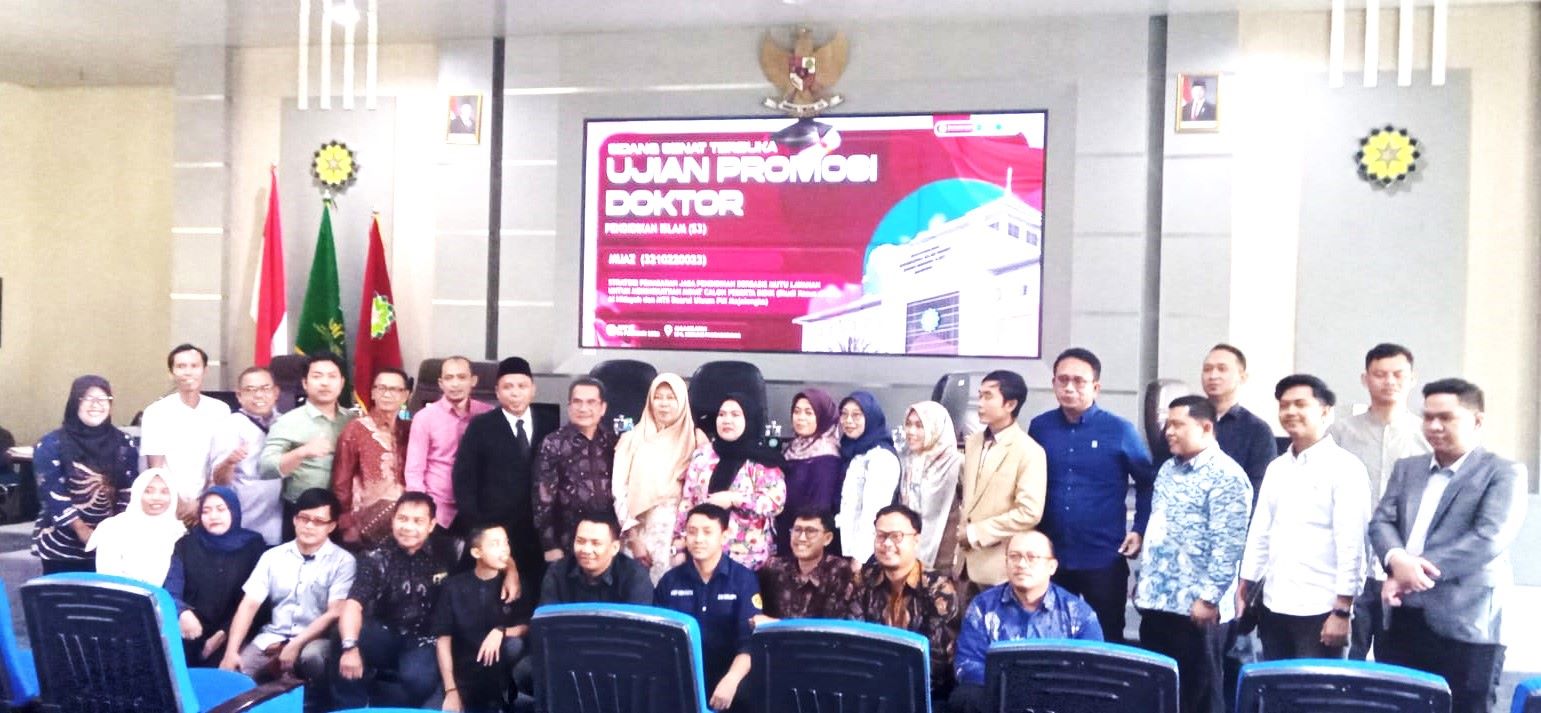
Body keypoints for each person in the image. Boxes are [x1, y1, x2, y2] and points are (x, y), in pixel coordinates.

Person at [1370, 379, 1527, 713]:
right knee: (1398, 705)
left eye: (1446, 417)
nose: (1434, 426)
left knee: (1464, 706)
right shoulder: (1408, 468)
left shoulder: (1503, 472)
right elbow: (1381, 521)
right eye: (1428, 417)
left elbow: (1489, 537)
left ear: (1477, 421)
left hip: (1466, 619)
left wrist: (1412, 572)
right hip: (1402, 615)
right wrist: (1397, 559)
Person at [1237, 375, 1370, 661]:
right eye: (1284, 405)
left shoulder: (1345, 468)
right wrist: (1245, 583)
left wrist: (1342, 610)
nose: (1290, 412)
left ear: (1325, 411)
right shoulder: (1277, 468)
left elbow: (1352, 545)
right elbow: (1261, 531)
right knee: (1275, 684)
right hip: (1274, 604)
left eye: (1300, 404)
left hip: (1321, 609)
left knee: (1316, 688)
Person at [1028, 348, 1155, 644]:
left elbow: (1148, 483)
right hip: (1052, 556)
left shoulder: (1119, 430)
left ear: (1096, 387)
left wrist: (1139, 529)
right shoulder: (1040, 427)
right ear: (1053, 383)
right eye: (1062, 380)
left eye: (1079, 381)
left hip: (1103, 556)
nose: (1069, 388)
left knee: (1107, 637)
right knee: (1051, 636)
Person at [1133, 396, 1252, 713]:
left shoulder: (1227, 476)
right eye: (1167, 424)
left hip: (1197, 609)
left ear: (1206, 428)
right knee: (1159, 694)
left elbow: (1228, 545)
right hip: (1158, 603)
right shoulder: (1167, 469)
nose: (1168, 432)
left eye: (1178, 425)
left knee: (1199, 697)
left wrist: (1209, 599)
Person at [1327, 343, 1430, 660]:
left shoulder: (1426, 435)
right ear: (1365, 379)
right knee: (1346, 656)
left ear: (1412, 379)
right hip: (1349, 562)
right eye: (1380, 374)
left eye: (1398, 374)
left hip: (1404, 563)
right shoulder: (1340, 432)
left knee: (1398, 659)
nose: (1389, 381)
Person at [949, 531, 1103, 713]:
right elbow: (968, 662)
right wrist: (1013, 692)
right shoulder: (983, 606)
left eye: (1032, 557)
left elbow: (1092, 672)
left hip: (1056, 701)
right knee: (965, 696)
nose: (1021, 564)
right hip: (1000, 699)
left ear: (1052, 566)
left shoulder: (1078, 613)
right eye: (1014, 556)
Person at [220, 488, 356, 690]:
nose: (309, 526)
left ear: (331, 526)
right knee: (235, 678)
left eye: (318, 521)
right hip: (271, 639)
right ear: (294, 520)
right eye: (304, 518)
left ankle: (313, 701)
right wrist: (231, 652)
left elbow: (335, 611)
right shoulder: (272, 556)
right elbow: (249, 605)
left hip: (314, 641)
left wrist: (295, 644)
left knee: (313, 657)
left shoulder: (343, 561)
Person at [334, 492, 459, 709]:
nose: (408, 527)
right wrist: (350, 647)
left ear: (431, 525)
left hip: (425, 638)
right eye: (402, 519)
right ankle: (352, 707)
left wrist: (511, 572)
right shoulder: (375, 556)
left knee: (418, 681)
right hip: (385, 632)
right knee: (342, 636)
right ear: (392, 520)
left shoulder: (450, 551)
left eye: (417, 521)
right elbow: (354, 603)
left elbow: (488, 552)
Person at [452, 356, 557, 598]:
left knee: (537, 598)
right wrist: (479, 530)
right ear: (497, 392)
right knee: (496, 600)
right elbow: (464, 481)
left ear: (533, 390)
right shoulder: (481, 427)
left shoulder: (550, 423)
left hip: (539, 535)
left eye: (522, 386)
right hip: (495, 533)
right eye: (508, 387)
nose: (515, 393)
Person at [656, 504, 763, 712]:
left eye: (707, 532)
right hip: (681, 678)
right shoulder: (669, 581)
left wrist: (731, 680)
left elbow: (750, 642)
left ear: (724, 536)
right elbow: (658, 642)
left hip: (730, 676)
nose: (698, 539)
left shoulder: (743, 580)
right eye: (692, 531)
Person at [849, 504, 962, 700]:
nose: (887, 543)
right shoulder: (864, 580)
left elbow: (939, 661)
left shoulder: (937, 589)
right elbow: (852, 641)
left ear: (916, 540)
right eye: (881, 536)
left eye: (896, 536)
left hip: (923, 691)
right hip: (869, 686)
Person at [32, 375, 137, 574]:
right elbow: (52, 493)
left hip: (110, 544)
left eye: (103, 398)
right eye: (88, 398)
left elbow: (129, 490)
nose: (96, 404)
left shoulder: (124, 443)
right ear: (75, 402)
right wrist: (81, 529)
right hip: (61, 546)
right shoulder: (51, 444)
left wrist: (114, 531)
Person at [674, 394, 787, 570]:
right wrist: (679, 543)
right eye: (722, 414)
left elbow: (775, 503)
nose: (727, 420)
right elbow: (688, 502)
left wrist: (735, 499)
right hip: (702, 556)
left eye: (735, 415)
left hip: (747, 560)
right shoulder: (702, 456)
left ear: (748, 420)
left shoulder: (761, 460)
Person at [612, 373, 708, 582]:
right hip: (637, 534)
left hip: (681, 536)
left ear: (682, 401)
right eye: (658, 397)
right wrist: (634, 539)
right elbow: (619, 491)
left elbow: (701, 494)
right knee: (637, 592)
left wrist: (684, 541)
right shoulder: (631, 439)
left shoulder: (695, 439)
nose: (664, 404)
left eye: (671, 397)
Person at [957, 370, 1046, 594]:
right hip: (964, 564)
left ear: (1010, 404)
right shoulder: (973, 442)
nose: (980, 403)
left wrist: (976, 533)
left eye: (988, 396)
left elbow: (1029, 512)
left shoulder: (1029, 451)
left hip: (1000, 565)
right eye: (980, 395)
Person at [164, 486, 268, 666]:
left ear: (234, 511)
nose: (213, 516)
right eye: (206, 511)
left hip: (236, 630)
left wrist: (223, 633)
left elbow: (259, 603)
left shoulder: (253, 546)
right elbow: (171, 588)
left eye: (221, 509)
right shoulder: (185, 545)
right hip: (191, 628)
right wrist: (182, 611)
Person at [259, 352, 354, 540]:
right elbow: (266, 468)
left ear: (342, 383)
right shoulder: (288, 422)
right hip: (302, 513)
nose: (325, 383)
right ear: (305, 383)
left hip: (344, 514)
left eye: (332, 376)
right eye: (317, 376)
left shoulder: (353, 420)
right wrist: (301, 452)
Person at [434, 525, 524, 713]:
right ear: (477, 552)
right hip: (462, 675)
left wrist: (501, 631)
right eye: (495, 544)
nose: (504, 549)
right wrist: (451, 690)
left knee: (514, 645)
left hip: (497, 675)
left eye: (506, 542)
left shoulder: (513, 584)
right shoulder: (453, 587)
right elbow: (443, 639)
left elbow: (526, 625)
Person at [140, 343, 231, 520]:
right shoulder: (156, 412)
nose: (188, 372)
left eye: (194, 366)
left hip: (208, 505)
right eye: (181, 366)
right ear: (171, 373)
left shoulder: (220, 410)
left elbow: (219, 462)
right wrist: (178, 504)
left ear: (205, 371)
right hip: (167, 503)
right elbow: (155, 467)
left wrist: (202, 502)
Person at [404, 355, 493, 534]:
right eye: (449, 378)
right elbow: (414, 470)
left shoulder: (487, 415)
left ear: (473, 381)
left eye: (461, 377)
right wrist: (422, 510)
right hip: (438, 508)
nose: (455, 384)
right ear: (441, 383)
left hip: (477, 506)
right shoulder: (425, 418)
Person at [535, 377, 618, 563]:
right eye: (577, 402)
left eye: (591, 402)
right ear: (569, 407)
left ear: (603, 408)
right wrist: (550, 545)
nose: (583, 408)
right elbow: (543, 500)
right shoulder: (554, 443)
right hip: (568, 543)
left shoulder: (613, 442)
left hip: (607, 542)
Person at [331, 367, 413, 548]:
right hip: (365, 526)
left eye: (395, 389)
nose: (387, 394)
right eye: (381, 388)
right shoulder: (356, 429)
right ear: (373, 393)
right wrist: (346, 524)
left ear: (405, 395)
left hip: (407, 526)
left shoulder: (411, 430)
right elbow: (341, 482)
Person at [209, 366, 285, 544]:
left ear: (276, 392)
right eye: (250, 390)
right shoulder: (230, 426)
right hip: (243, 524)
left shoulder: (285, 423)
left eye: (265, 388)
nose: (258, 395)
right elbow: (218, 481)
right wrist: (229, 462)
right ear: (239, 395)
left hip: (277, 523)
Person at [1201, 344, 1278, 502]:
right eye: (1207, 369)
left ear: (1243, 377)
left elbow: (1259, 489)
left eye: (1222, 369)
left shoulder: (1257, 430)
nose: (1213, 375)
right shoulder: (1184, 422)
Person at [776, 388, 844, 558]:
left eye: (808, 413)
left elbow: (821, 506)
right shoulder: (792, 448)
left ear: (822, 416)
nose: (801, 418)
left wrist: (802, 535)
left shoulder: (826, 455)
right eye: (797, 411)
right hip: (788, 533)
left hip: (808, 541)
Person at [88, 468, 186, 585]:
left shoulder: (179, 532)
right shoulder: (113, 528)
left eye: (164, 492)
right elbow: (108, 577)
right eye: (148, 491)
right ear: (137, 493)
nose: (156, 497)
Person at [755, 508, 857, 620]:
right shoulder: (775, 568)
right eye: (797, 530)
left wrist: (776, 624)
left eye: (810, 531)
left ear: (827, 538)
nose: (802, 538)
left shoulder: (838, 570)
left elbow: (833, 625)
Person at [834, 391, 900, 564]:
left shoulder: (881, 457)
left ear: (871, 418)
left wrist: (859, 557)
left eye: (856, 415)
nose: (848, 421)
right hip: (846, 547)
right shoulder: (851, 450)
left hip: (868, 554)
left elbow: (874, 511)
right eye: (844, 414)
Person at [897, 401, 963, 569]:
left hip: (943, 554)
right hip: (907, 549)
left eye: (919, 426)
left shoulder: (956, 463)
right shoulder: (907, 460)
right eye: (908, 424)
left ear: (936, 428)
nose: (911, 431)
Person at [539, 510, 652, 605]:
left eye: (596, 543)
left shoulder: (635, 576)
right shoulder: (558, 572)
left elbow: (636, 622)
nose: (586, 550)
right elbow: (547, 619)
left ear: (615, 547)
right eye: (580, 541)